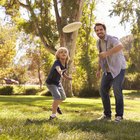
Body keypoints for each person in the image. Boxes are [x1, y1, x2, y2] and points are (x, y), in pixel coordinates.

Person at [94, 23, 126, 122]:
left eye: (101, 29)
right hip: (107, 71)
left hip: (118, 69)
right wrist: (98, 70)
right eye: (97, 30)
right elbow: (101, 57)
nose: (99, 32)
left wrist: (107, 53)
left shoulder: (112, 39)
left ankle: (119, 115)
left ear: (105, 30)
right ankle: (107, 115)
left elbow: (120, 46)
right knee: (103, 90)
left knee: (117, 90)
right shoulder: (98, 43)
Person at [46, 47, 72, 120]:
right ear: (58, 55)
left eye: (65, 52)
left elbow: (63, 73)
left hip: (57, 83)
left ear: (67, 55)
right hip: (51, 82)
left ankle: (56, 105)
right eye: (61, 52)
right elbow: (58, 69)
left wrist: (68, 77)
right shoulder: (57, 62)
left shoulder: (66, 64)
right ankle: (53, 116)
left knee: (63, 97)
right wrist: (60, 72)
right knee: (57, 96)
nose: (63, 53)